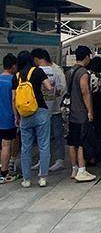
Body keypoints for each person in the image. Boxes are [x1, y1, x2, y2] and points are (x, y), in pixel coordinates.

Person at [13, 50, 53, 188]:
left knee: (26, 147)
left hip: (24, 115)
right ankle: (42, 177)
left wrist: (17, 116)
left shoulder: (16, 76)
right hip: (40, 111)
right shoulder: (38, 71)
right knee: (44, 145)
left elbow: (14, 99)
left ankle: (26, 179)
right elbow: (49, 87)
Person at [31, 48, 66, 172]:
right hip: (46, 109)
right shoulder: (50, 70)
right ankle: (44, 160)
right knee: (45, 136)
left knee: (57, 135)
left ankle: (59, 159)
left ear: (37, 59)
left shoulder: (56, 70)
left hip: (54, 109)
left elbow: (62, 89)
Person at [66, 45, 96, 183]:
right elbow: (85, 92)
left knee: (72, 141)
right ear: (87, 57)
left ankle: (74, 168)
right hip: (80, 111)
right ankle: (82, 170)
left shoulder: (70, 71)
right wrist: (89, 110)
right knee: (81, 142)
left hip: (71, 111)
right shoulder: (83, 72)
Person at [0, 54, 17, 184]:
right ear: (13, 66)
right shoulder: (13, 80)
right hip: (8, 117)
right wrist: (17, 116)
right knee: (6, 145)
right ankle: (4, 173)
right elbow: (14, 100)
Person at [88, 56, 101, 136]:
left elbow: (90, 89)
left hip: (93, 99)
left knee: (94, 120)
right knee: (100, 120)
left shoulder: (92, 75)